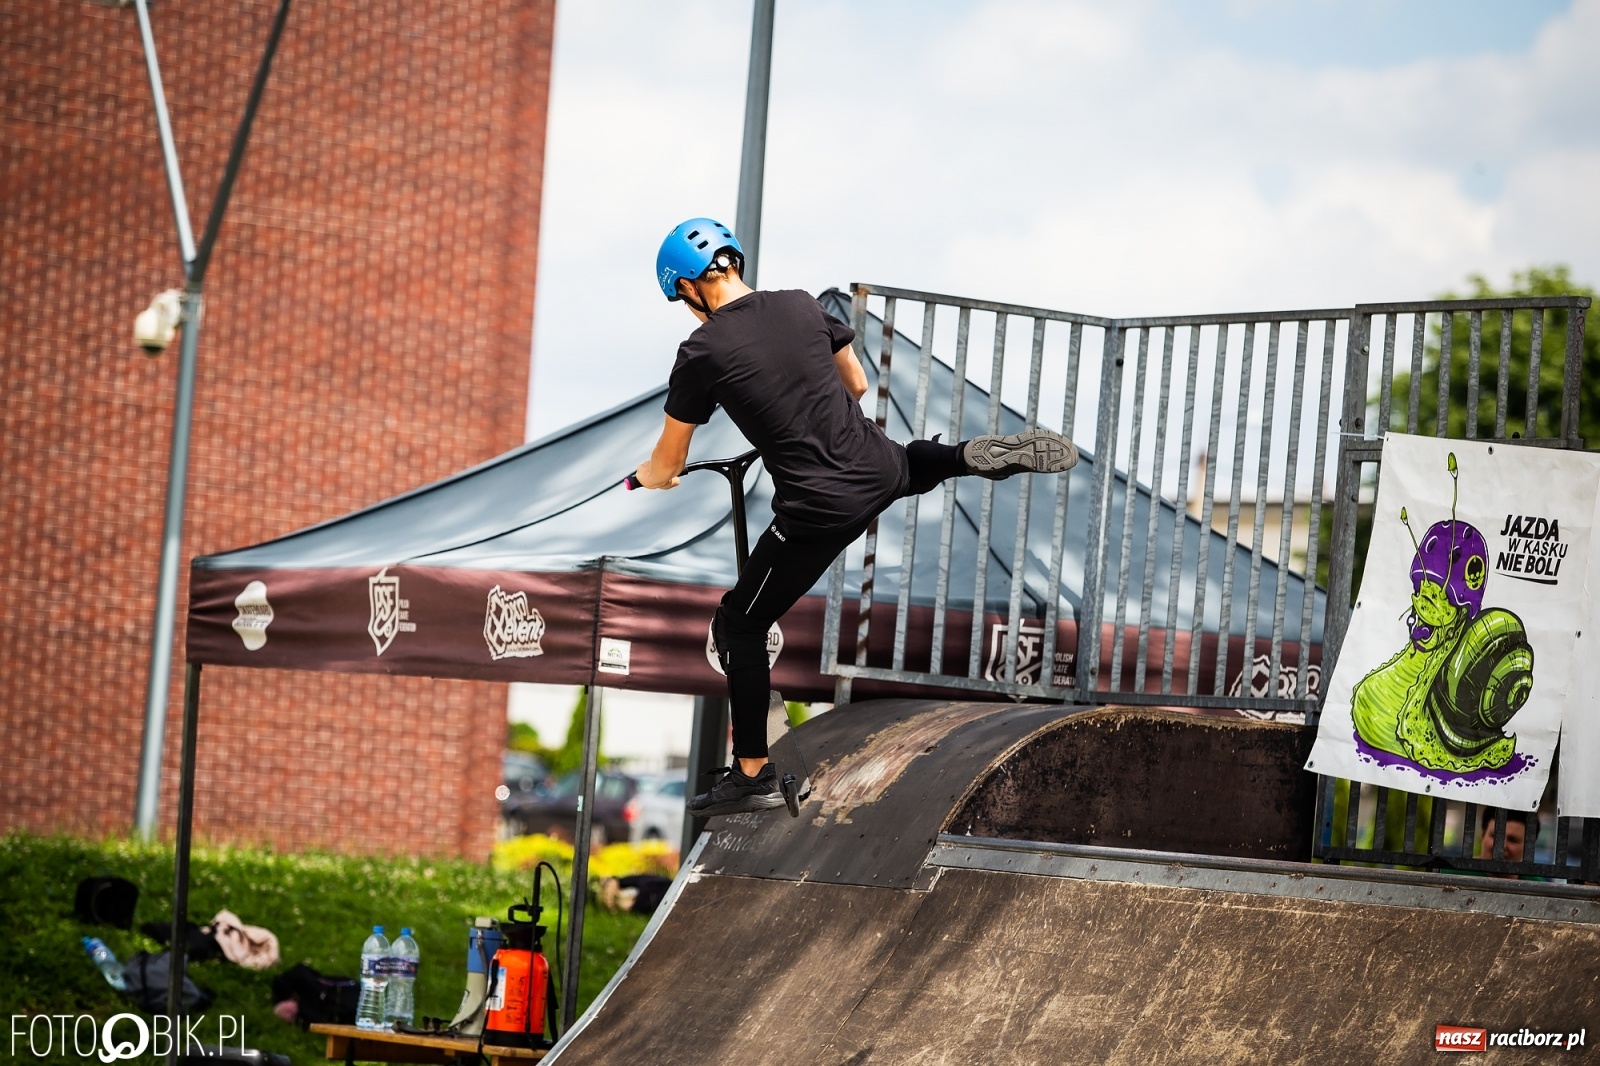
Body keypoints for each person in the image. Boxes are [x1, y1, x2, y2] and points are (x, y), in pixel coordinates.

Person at [633, 218, 1079, 817]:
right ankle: (964, 457)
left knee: (738, 624)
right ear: (733, 260)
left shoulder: (702, 350)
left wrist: (648, 477)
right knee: (906, 465)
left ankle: (754, 773)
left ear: (688, 287)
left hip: (817, 510)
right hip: (875, 466)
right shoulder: (798, 304)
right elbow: (859, 383)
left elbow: (669, 461)